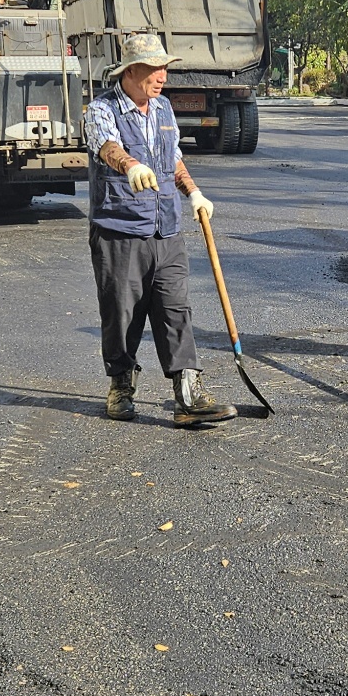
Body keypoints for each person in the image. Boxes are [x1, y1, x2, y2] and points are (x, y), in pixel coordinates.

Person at [83, 31, 237, 427]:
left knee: (175, 309)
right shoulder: (102, 109)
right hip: (120, 230)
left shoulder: (164, 108)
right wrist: (131, 165)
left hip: (166, 229)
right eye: (154, 68)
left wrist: (194, 192)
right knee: (121, 313)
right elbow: (107, 147)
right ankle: (121, 385)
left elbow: (174, 158)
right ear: (130, 71)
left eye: (164, 67)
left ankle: (188, 396)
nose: (162, 76)